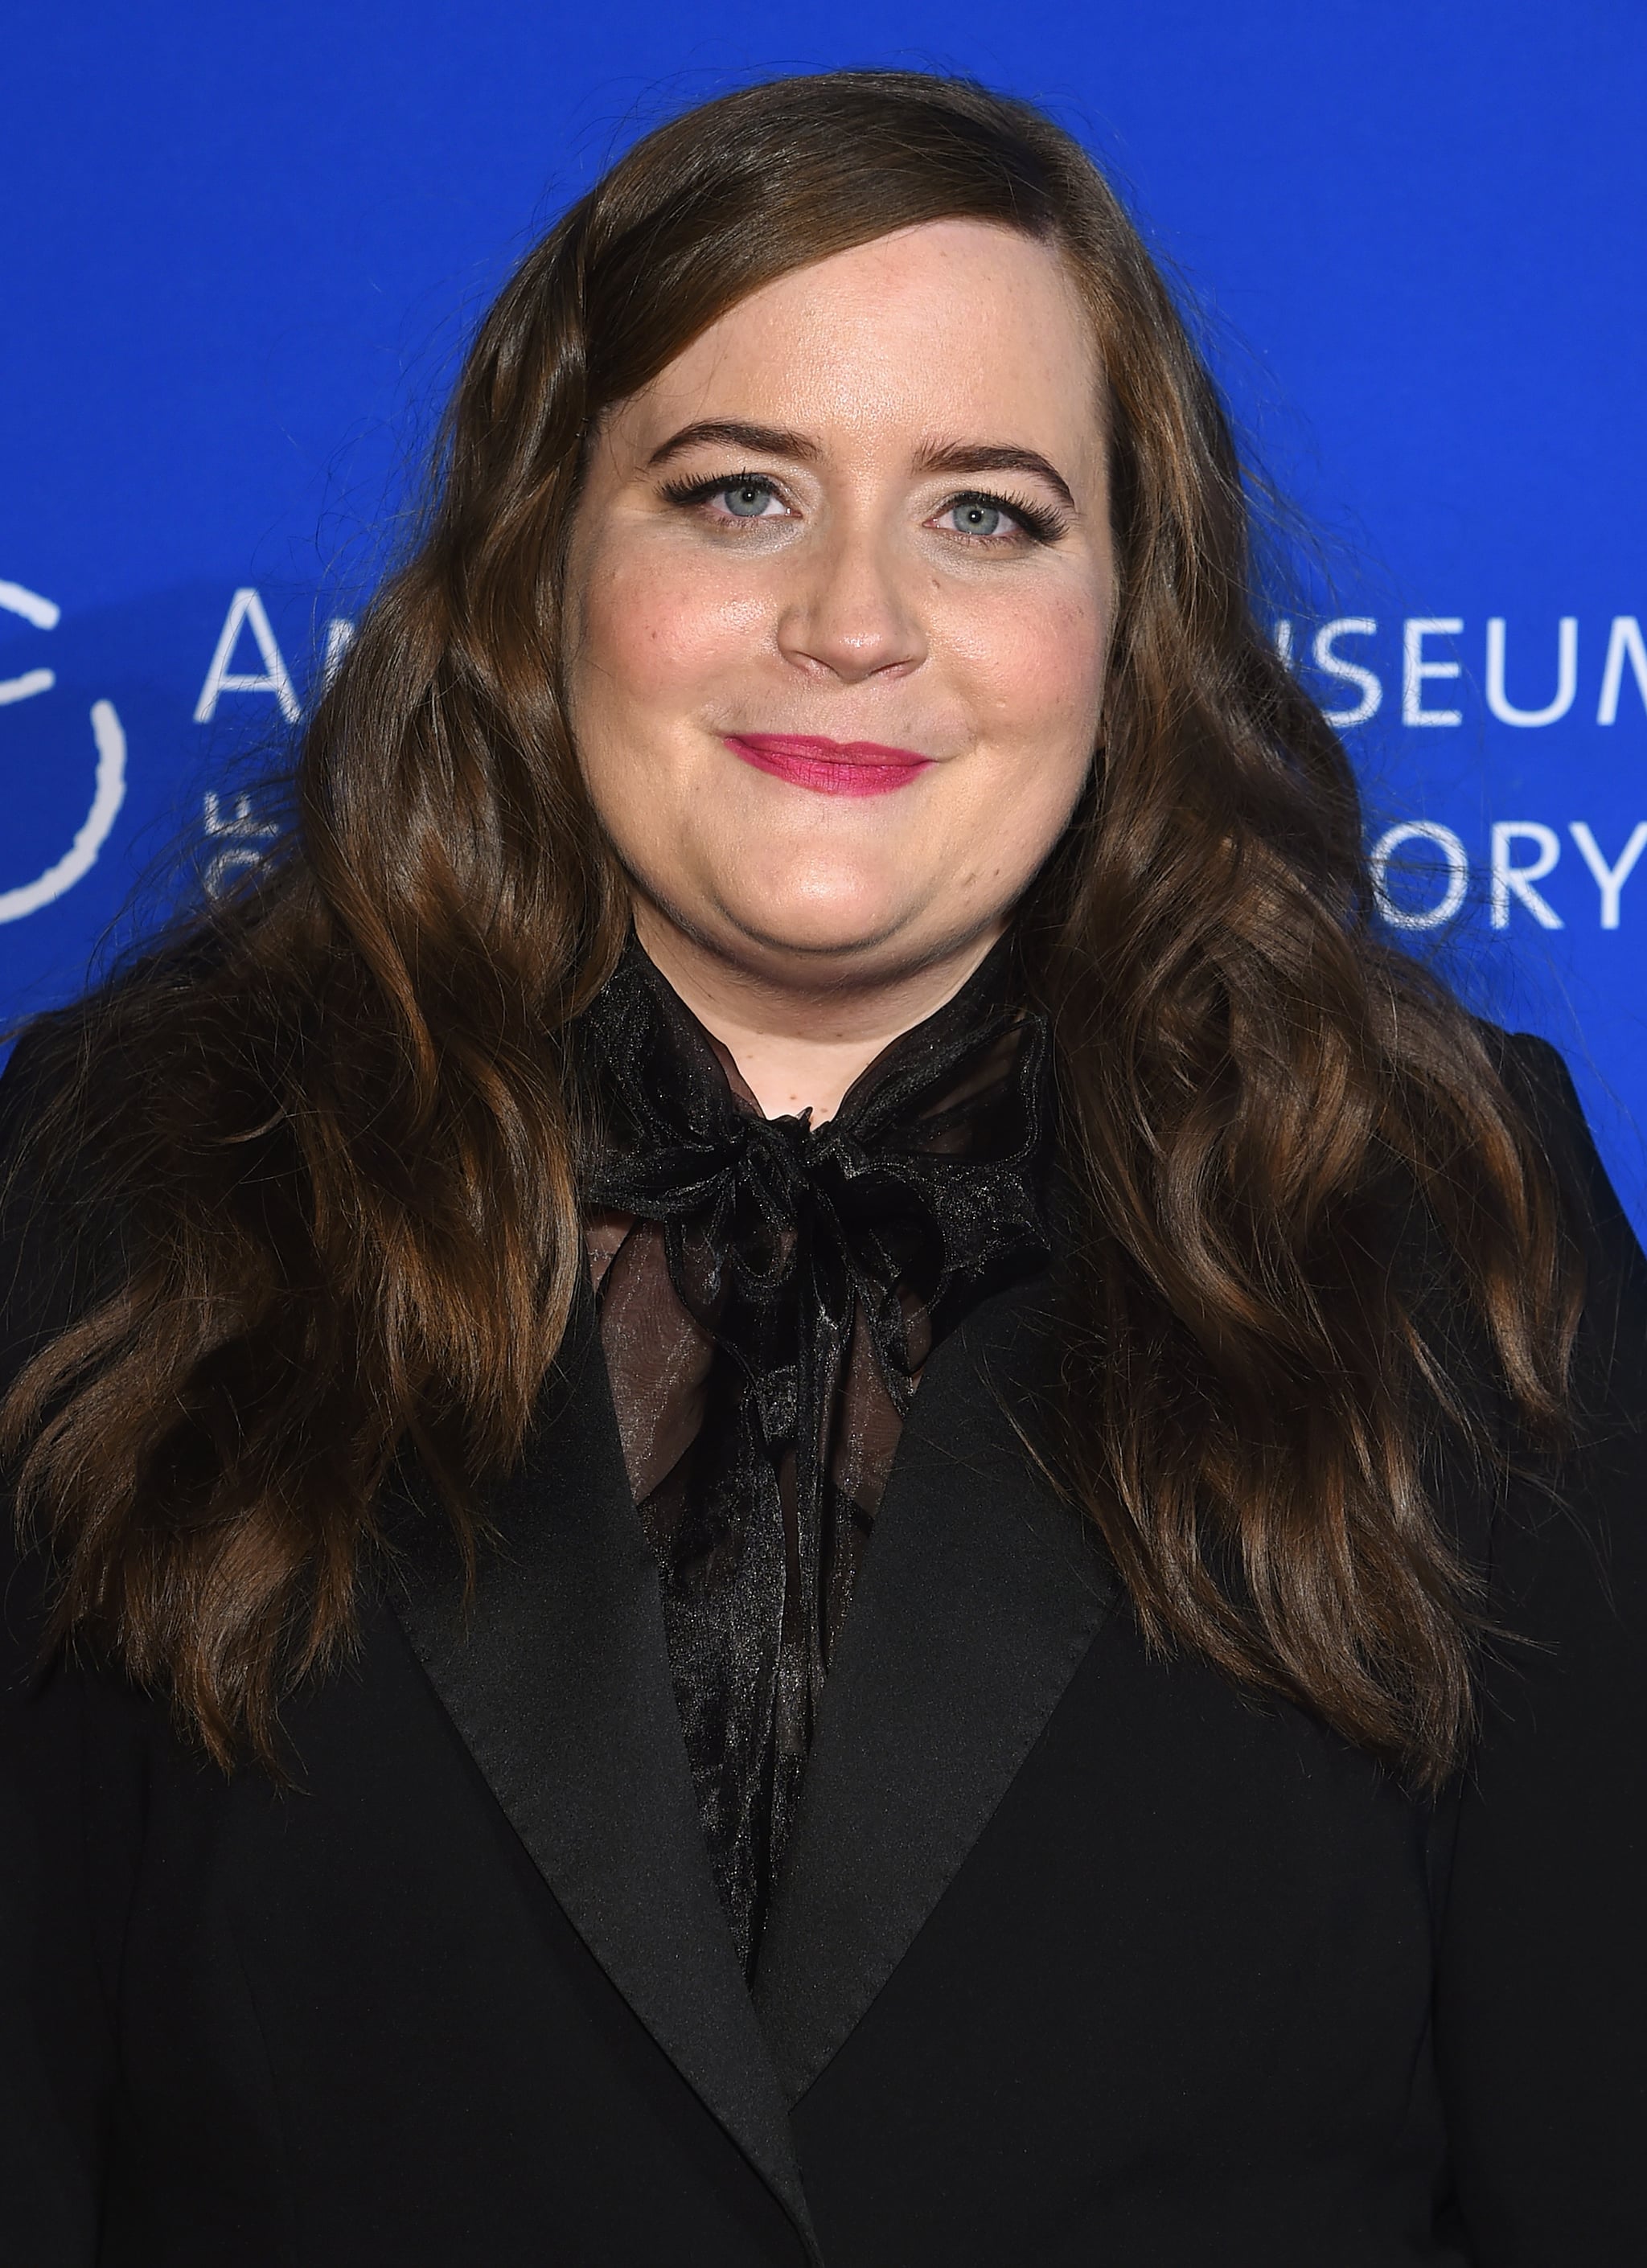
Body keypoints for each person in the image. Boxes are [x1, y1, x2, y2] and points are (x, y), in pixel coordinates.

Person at [1, 69, 1642, 2268]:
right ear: (543, 567)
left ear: (1128, 619)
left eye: (987, 512)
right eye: (738, 492)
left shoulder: (1437, 1211)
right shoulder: (138, 1179)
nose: (855, 620)